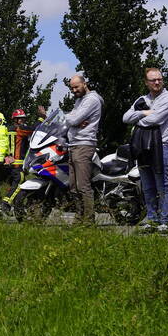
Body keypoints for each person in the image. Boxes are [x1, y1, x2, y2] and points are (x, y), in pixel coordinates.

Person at [123, 68, 168, 232]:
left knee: (163, 186)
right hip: (142, 147)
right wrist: (144, 112)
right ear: (146, 82)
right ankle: (152, 219)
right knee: (147, 186)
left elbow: (155, 120)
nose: (157, 82)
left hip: (161, 146)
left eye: (159, 79)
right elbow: (125, 118)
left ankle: (165, 221)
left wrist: (138, 118)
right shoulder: (142, 99)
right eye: (153, 80)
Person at [64, 75, 103, 224]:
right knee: (73, 186)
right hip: (74, 145)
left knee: (83, 186)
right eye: (72, 88)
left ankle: (88, 221)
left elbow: (73, 120)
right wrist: (73, 120)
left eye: (76, 87)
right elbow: (73, 120)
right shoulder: (79, 100)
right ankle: (79, 218)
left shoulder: (91, 100)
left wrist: (70, 119)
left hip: (84, 145)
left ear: (85, 84)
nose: (74, 90)